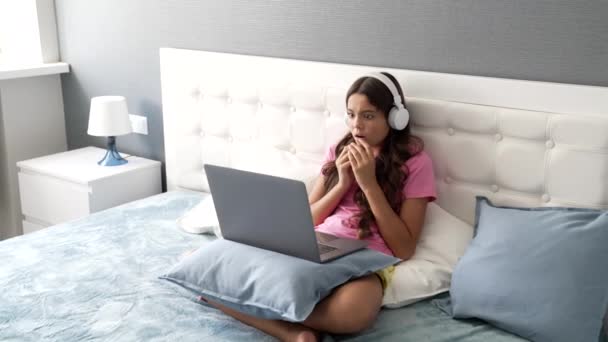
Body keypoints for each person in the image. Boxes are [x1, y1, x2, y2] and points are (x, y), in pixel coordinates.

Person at [201, 72, 437, 342]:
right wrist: (342, 184)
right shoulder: (340, 149)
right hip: (321, 242)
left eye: (368, 116)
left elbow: (404, 248)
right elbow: (308, 218)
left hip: (369, 256)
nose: (356, 125)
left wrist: (369, 184)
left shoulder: (417, 163)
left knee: (354, 311)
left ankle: (255, 306)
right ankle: (290, 332)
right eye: (351, 114)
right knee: (210, 267)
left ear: (395, 117)